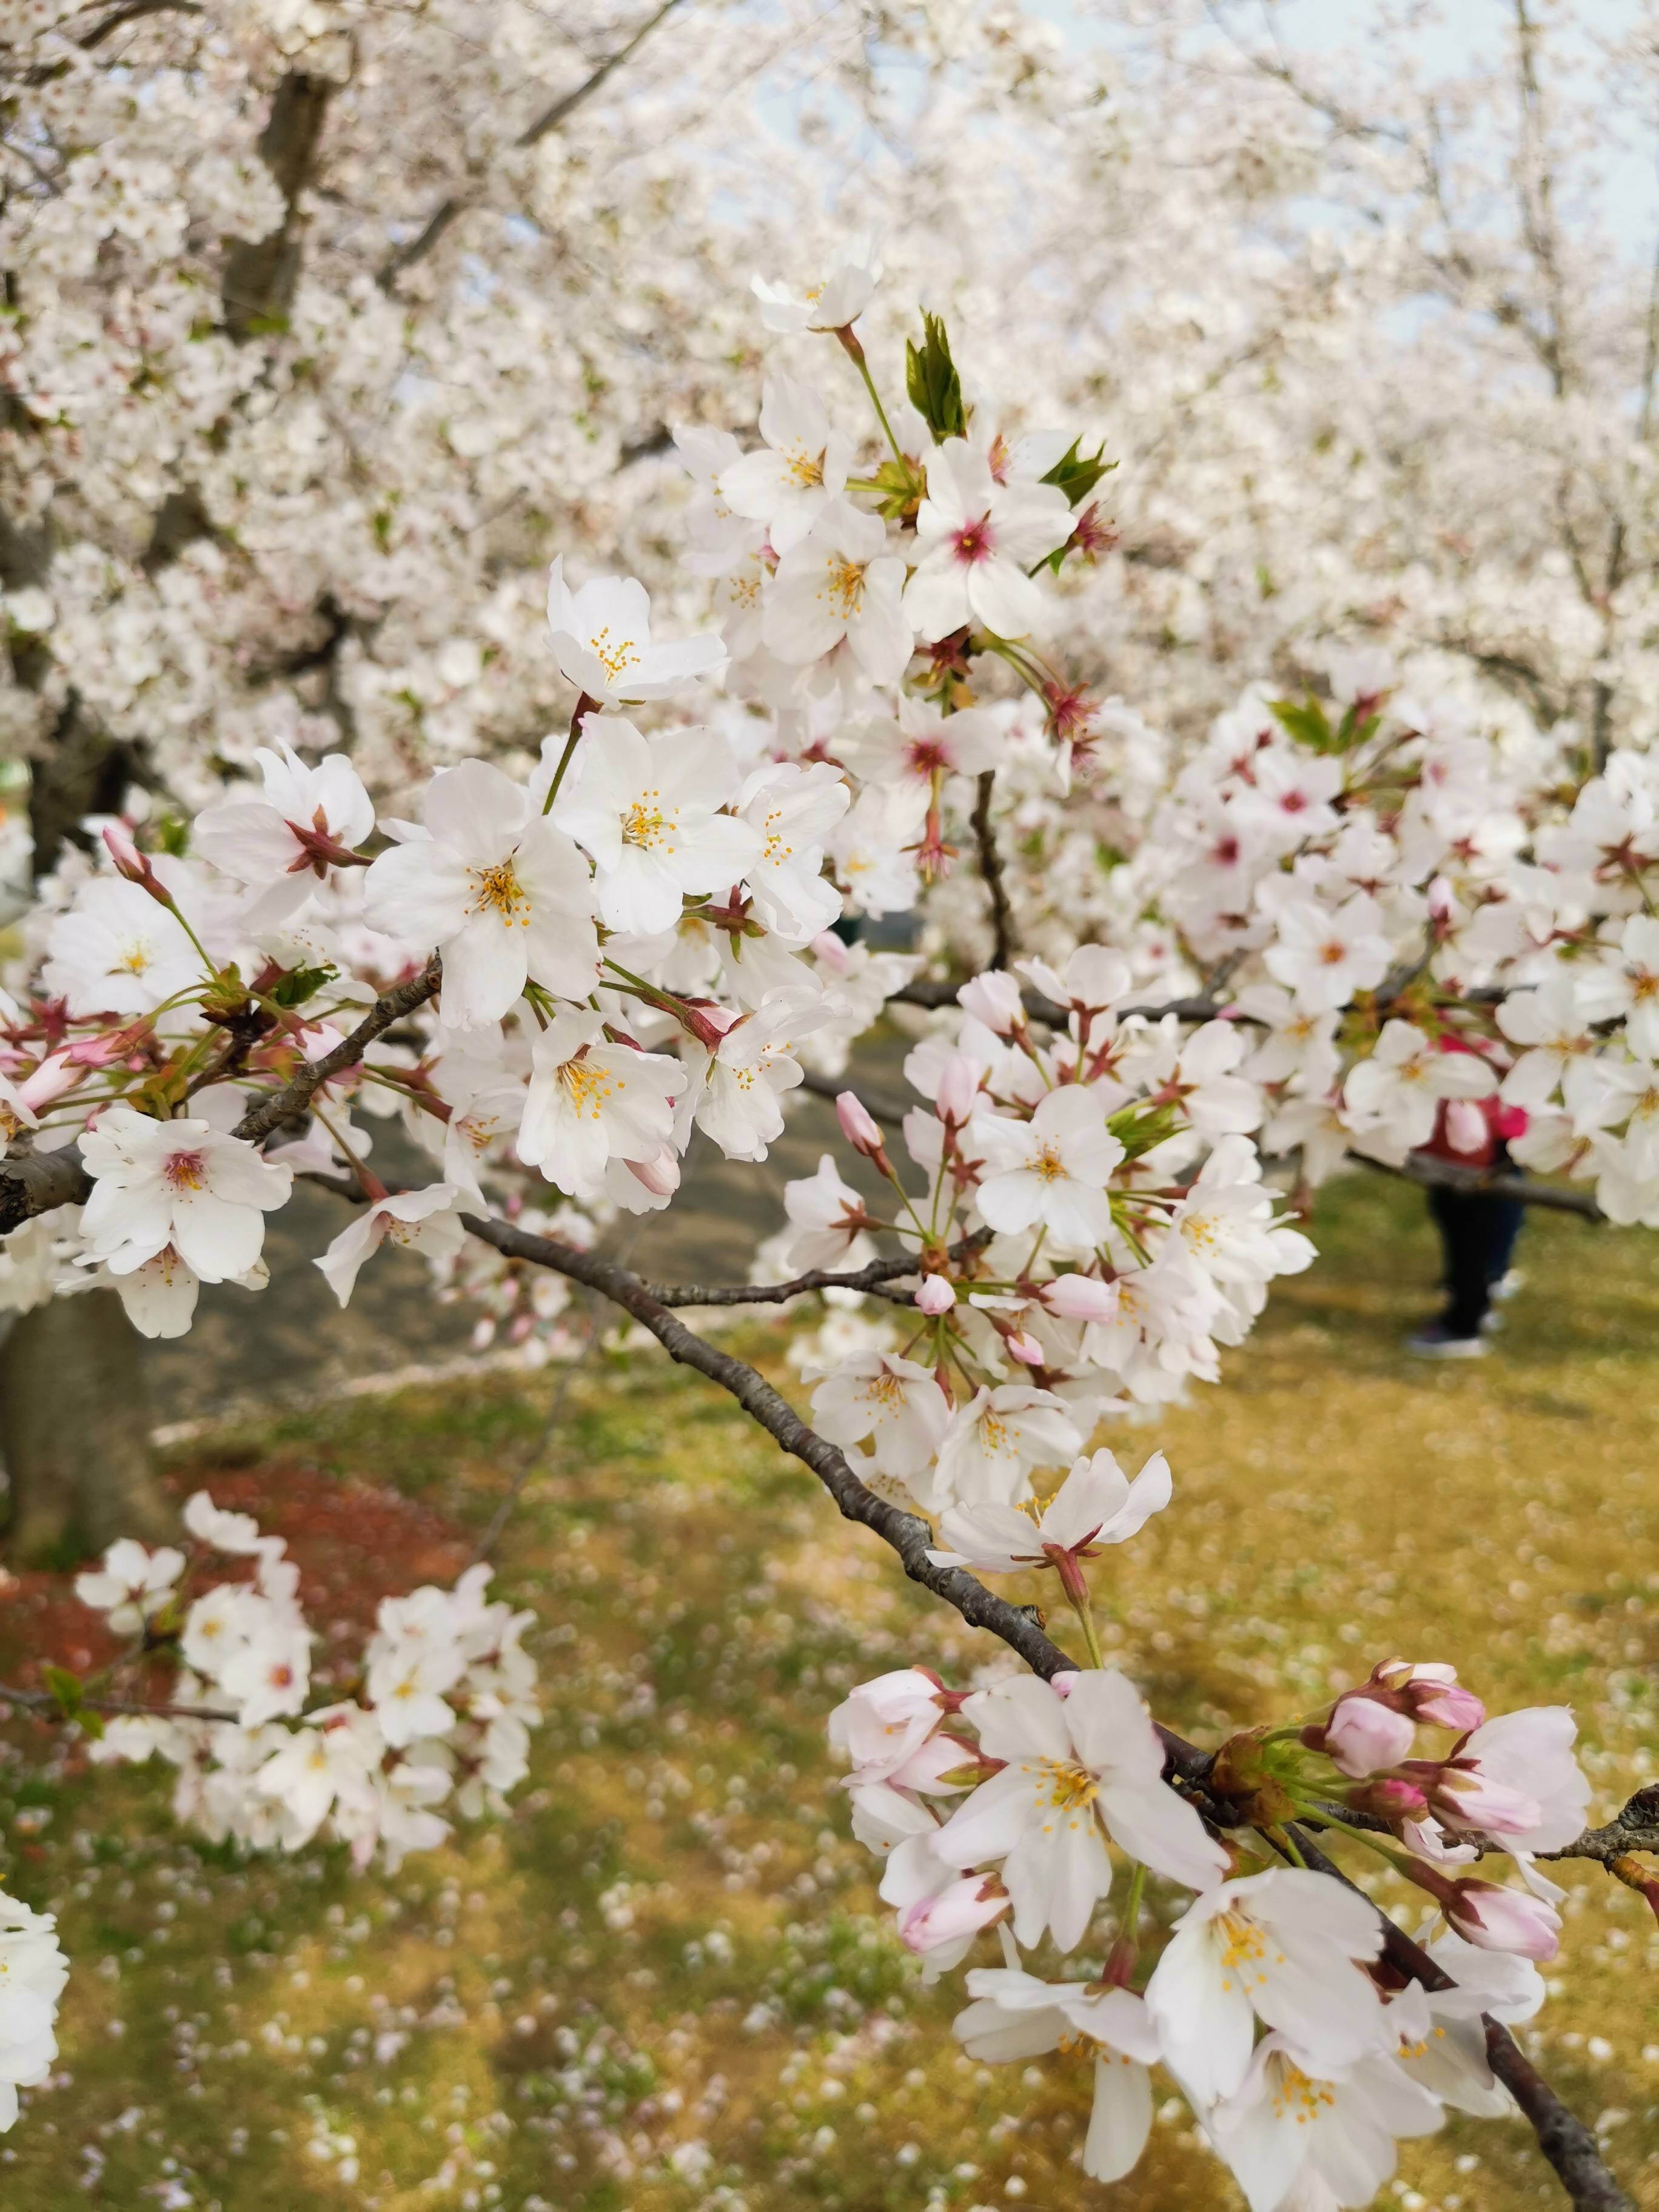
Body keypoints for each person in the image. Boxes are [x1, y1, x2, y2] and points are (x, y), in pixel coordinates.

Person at [1405, 1042, 1528, 1361]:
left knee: (1467, 1230)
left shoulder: (1467, 1044)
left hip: (1475, 1145)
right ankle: (1482, 1291)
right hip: (1496, 1133)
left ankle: (1464, 1324)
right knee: (1481, 1224)